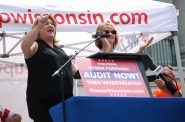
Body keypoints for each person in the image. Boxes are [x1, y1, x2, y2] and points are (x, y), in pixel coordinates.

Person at [21, 14, 77, 122]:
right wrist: (38, 26)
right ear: (37, 30)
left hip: (65, 102)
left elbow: (75, 71)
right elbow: (25, 46)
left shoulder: (60, 50)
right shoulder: (36, 46)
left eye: (52, 24)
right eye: (45, 24)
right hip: (45, 104)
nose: (50, 25)